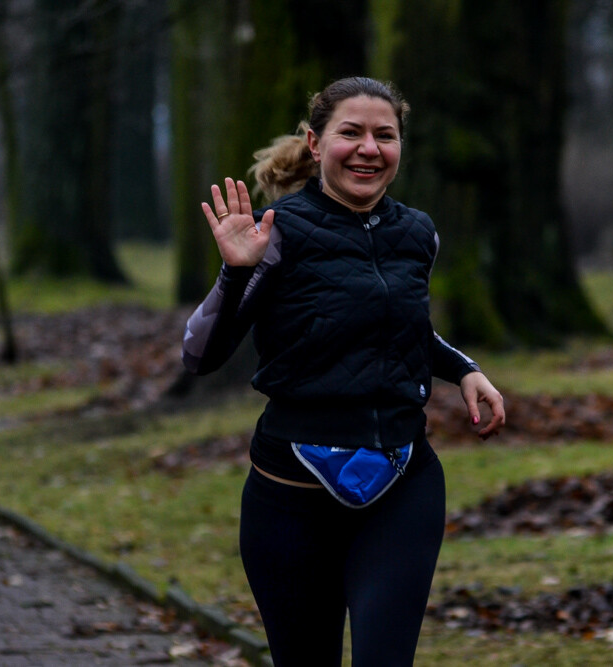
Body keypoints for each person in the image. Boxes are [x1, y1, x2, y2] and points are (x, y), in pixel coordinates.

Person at [181, 76, 505, 666]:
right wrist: (235, 271)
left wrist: (464, 370)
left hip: (401, 485)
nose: (369, 149)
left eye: (385, 136)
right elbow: (200, 356)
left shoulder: (418, 232)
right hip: (291, 498)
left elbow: (397, 326)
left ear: (400, 146)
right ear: (315, 142)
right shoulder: (275, 232)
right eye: (350, 133)